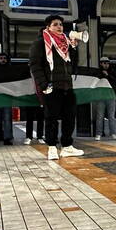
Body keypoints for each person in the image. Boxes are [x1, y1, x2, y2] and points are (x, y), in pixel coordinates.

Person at [29, 15, 84, 160]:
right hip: (52, 86)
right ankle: (52, 147)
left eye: (60, 24)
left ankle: (67, 146)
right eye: (55, 24)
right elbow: (35, 65)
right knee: (51, 118)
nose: (59, 27)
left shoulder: (66, 42)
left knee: (70, 117)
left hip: (67, 85)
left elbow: (73, 64)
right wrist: (43, 84)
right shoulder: (40, 42)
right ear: (48, 27)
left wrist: (73, 48)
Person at [94, 56, 116, 140]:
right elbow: (95, 82)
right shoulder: (98, 72)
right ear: (101, 64)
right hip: (101, 96)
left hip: (110, 96)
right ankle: (98, 134)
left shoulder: (113, 72)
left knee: (111, 116)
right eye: (105, 63)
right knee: (100, 116)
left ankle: (113, 133)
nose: (106, 65)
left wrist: (107, 75)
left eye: (108, 63)